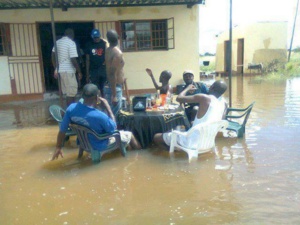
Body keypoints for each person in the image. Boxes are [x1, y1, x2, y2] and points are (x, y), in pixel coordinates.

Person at [52, 83, 141, 160]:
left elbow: (62, 130)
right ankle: (140, 157)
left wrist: (58, 147)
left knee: (124, 139)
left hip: (83, 142)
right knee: (130, 135)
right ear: (97, 97)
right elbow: (113, 129)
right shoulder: (99, 115)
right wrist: (108, 108)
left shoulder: (71, 108)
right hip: (99, 144)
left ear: (82, 96)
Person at [153, 80, 227, 150]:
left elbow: (179, 98)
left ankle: (174, 154)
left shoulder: (204, 98)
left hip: (191, 142)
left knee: (156, 137)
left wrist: (187, 88)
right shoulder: (223, 104)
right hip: (208, 142)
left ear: (212, 87)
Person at [52, 28, 82, 106]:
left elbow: (52, 56)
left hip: (61, 71)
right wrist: (79, 71)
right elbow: (73, 59)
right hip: (69, 71)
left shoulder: (57, 42)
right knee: (71, 93)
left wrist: (56, 68)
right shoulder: (71, 43)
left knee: (67, 93)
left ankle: (68, 111)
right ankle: (71, 112)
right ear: (72, 35)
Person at [104, 29, 125, 116]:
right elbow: (112, 73)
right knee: (115, 116)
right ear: (118, 37)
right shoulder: (117, 53)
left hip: (111, 86)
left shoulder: (108, 50)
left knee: (110, 114)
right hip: (114, 87)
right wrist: (114, 95)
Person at [84, 29, 107, 96]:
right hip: (93, 70)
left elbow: (108, 55)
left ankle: (104, 102)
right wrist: (87, 73)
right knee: (95, 88)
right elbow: (87, 59)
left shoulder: (104, 43)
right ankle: (97, 102)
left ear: (99, 36)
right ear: (92, 37)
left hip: (103, 69)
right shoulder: (88, 45)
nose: (96, 39)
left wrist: (106, 63)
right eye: (95, 37)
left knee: (104, 88)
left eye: (97, 37)